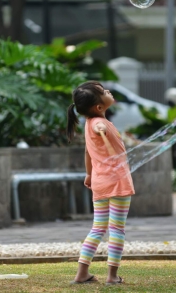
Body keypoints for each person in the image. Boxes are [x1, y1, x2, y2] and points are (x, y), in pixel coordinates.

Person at [66, 81, 135, 285]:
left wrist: (88, 174)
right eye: (104, 92)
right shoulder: (98, 123)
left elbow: (88, 152)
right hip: (117, 183)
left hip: (99, 182)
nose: (108, 92)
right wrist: (102, 127)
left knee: (97, 228)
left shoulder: (88, 124)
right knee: (116, 230)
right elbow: (100, 126)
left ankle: (82, 273)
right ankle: (112, 277)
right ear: (99, 107)